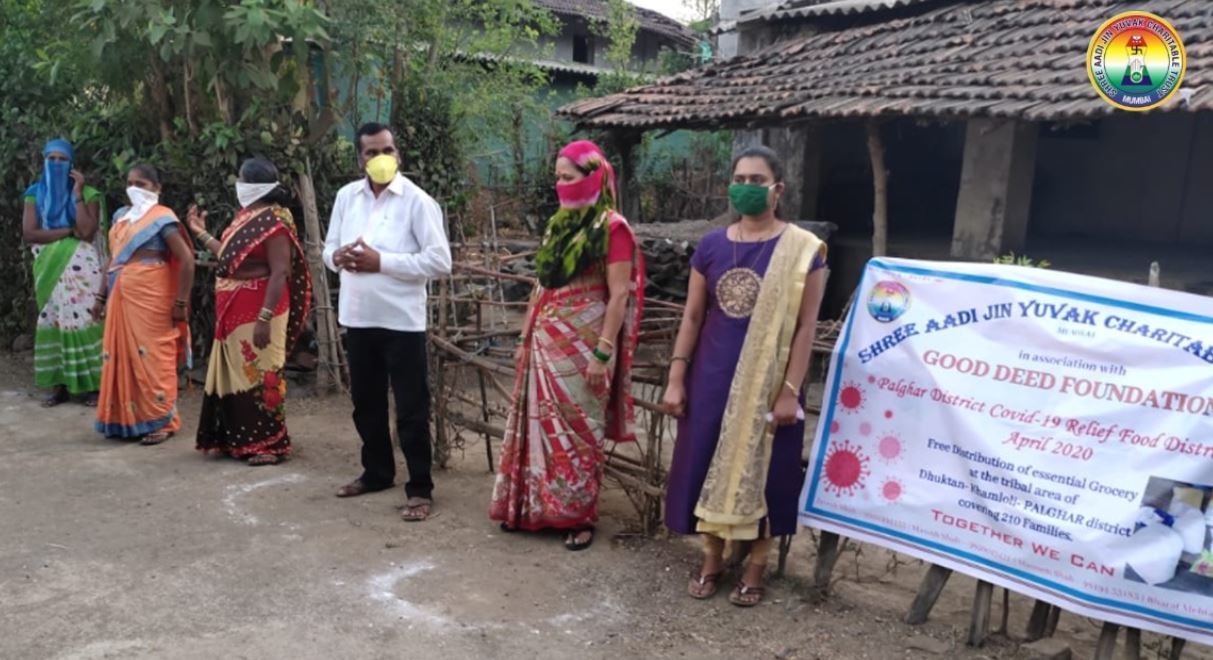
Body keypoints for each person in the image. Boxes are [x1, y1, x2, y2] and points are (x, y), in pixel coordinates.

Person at [662, 146, 827, 606]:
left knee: (767, 469)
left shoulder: (803, 250)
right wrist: (676, 377)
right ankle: (711, 557)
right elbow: (692, 316)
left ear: (778, 189)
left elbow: (806, 327)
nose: (747, 187)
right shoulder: (712, 245)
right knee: (707, 459)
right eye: (740, 179)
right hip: (712, 374)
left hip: (772, 381)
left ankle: (756, 564)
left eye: (757, 180)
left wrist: (790, 391)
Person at [490, 140, 645, 551]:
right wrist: (525, 336)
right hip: (545, 338)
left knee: (578, 431)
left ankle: (578, 516)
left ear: (594, 177)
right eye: (557, 178)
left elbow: (619, 294)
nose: (561, 185)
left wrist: (603, 353)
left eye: (569, 177)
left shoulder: (613, 228)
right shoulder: (558, 225)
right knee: (536, 424)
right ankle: (531, 508)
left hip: (585, 345)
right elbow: (541, 286)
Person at [323, 123, 452, 521]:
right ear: (359, 159)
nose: (381, 158)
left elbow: (440, 261)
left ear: (398, 154)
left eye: (388, 150)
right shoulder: (347, 197)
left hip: (402, 321)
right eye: (372, 152)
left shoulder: (418, 202)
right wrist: (336, 258)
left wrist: (382, 262)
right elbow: (329, 248)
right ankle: (377, 472)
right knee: (366, 403)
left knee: (411, 407)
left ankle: (420, 487)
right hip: (358, 317)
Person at [188, 157, 313, 466]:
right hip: (233, 310)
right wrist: (200, 233)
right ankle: (237, 440)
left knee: (261, 374)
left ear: (253, 185)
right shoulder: (244, 217)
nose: (238, 185)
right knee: (236, 376)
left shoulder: (276, 221)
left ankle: (269, 443)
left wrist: (264, 319)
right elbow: (230, 258)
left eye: (242, 180)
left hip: (261, 310)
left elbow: (280, 271)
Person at [94, 164, 195, 445]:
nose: (134, 189)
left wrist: (181, 302)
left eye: (142, 184)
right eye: (130, 183)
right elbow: (112, 259)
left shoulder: (163, 218)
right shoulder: (121, 217)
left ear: (157, 188)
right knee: (121, 355)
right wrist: (100, 297)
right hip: (119, 293)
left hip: (152, 295)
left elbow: (187, 260)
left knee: (153, 354)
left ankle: (163, 420)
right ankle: (126, 421)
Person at [22, 139, 106, 407]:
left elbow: (87, 232)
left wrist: (77, 192)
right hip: (48, 269)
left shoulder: (89, 194)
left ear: (71, 164)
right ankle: (60, 386)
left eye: (62, 159)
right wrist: (68, 232)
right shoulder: (34, 193)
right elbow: (30, 233)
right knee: (54, 321)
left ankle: (94, 386)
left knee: (86, 322)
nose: (56, 164)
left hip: (83, 271)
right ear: (44, 160)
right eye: (52, 159)